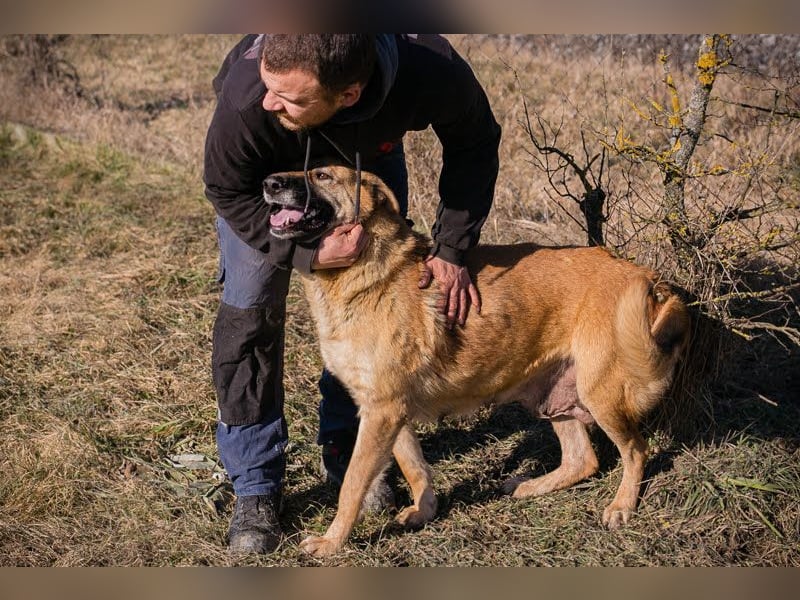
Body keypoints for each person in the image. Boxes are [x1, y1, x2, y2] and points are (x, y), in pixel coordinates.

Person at [204, 34, 501, 554]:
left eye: (291, 97)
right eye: (271, 88)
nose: (273, 100)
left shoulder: (427, 66)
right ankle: (255, 484)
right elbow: (226, 187)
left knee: (376, 324)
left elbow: (475, 140)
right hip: (260, 182)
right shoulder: (251, 95)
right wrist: (308, 256)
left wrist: (452, 249)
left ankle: (348, 446)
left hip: (363, 162)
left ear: (348, 93)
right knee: (249, 315)